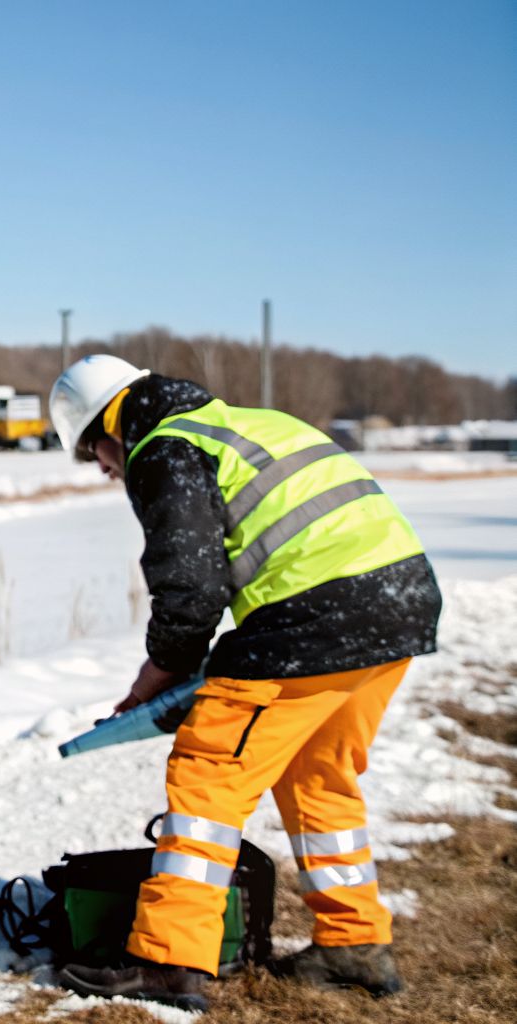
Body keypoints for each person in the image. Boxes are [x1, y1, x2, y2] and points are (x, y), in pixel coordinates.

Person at [47, 354, 442, 1010]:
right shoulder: (248, 424)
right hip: (398, 602)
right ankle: (353, 944)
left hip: (313, 621)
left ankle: (171, 960)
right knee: (318, 776)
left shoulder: (165, 449)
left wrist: (161, 670)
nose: (101, 468)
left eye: (93, 452)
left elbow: (191, 585)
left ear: (111, 428)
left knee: (209, 774)